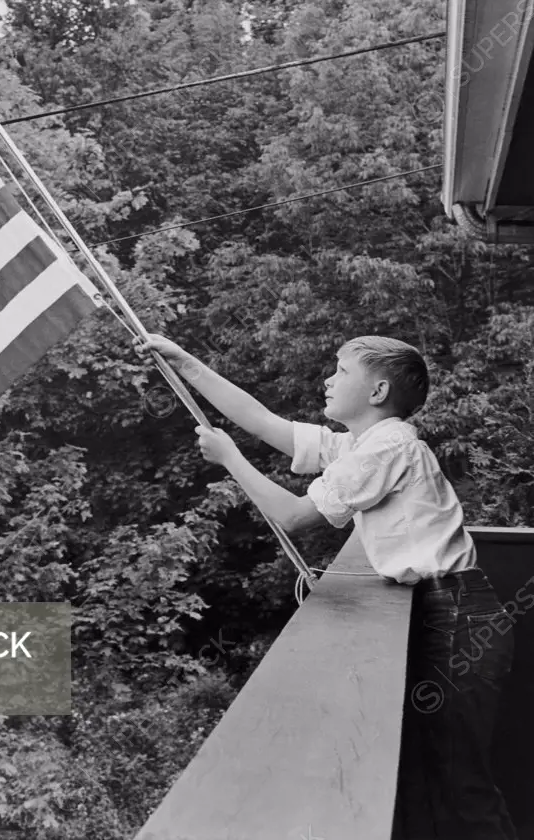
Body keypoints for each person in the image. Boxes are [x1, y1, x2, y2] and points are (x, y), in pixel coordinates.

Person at [136, 332, 518, 840]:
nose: (327, 379)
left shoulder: (387, 447)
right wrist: (186, 363)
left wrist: (229, 459)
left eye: (340, 372)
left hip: (456, 622)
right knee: (436, 776)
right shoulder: (362, 443)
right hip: (448, 616)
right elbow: (264, 422)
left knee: (460, 782)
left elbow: (292, 516)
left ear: (377, 392)